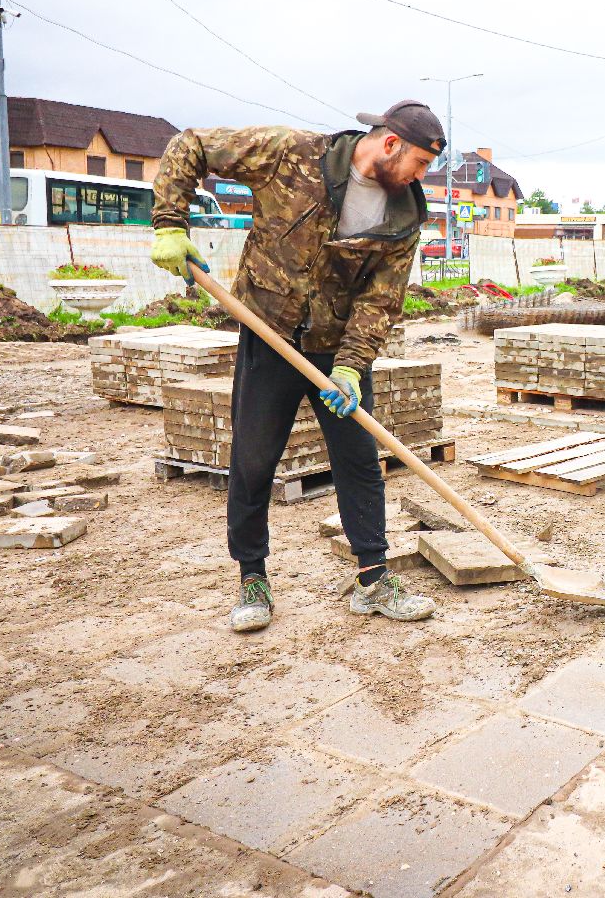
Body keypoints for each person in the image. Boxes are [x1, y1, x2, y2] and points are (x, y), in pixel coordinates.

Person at [149, 101, 444, 632]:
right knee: (253, 459)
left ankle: (374, 580)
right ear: (390, 144)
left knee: (358, 459)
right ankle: (253, 579)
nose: (421, 176)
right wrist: (170, 224)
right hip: (269, 332)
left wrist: (351, 368)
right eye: (420, 163)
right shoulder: (293, 153)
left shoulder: (403, 216)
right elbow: (190, 144)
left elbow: (380, 301)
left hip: (336, 349)